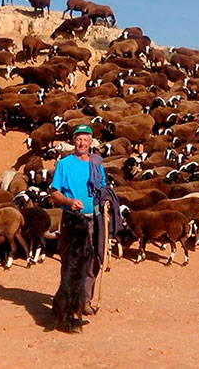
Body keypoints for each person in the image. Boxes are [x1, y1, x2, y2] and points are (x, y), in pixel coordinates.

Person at [49, 124, 121, 316]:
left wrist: (106, 201)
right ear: (74, 142)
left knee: (93, 260)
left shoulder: (97, 163)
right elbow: (54, 193)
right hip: (72, 220)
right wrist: (69, 201)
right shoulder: (64, 165)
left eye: (85, 140)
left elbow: (103, 188)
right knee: (70, 261)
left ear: (90, 143)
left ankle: (84, 300)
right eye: (79, 139)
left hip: (95, 218)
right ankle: (66, 302)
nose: (82, 143)